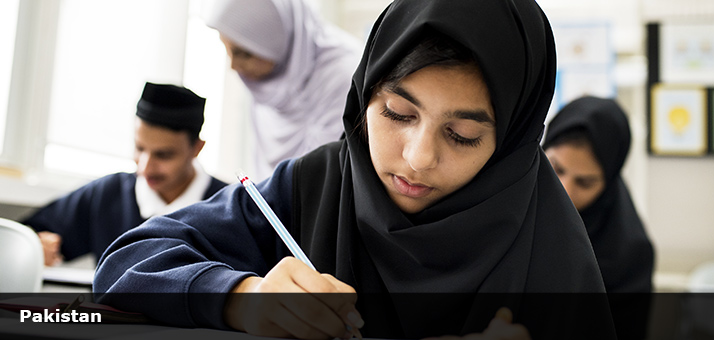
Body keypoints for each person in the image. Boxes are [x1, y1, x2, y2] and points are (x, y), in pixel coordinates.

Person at [94, 1, 615, 339]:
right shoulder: (314, 185)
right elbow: (127, 264)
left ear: (511, 143)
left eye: (462, 135)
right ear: (364, 97)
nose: (417, 157)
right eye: (397, 114)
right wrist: (242, 299)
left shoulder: (548, 240)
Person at [23, 82, 228, 266]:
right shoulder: (107, 194)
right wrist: (33, 247)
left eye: (163, 155)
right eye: (139, 148)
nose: (145, 168)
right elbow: (25, 234)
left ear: (196, 149)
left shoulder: (229, 208)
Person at [203, 0, 361, 180]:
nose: (233, 66)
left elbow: (326, 175)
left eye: (243, 53)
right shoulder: (271, 74)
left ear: (274, 38)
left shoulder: (344, 75)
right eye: (227, 50)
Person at [542, 96, 655, 339]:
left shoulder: (631, 255)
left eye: (585, 182)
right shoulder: (509, 213)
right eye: (556, 168)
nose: (565, 191)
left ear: (608, 183)